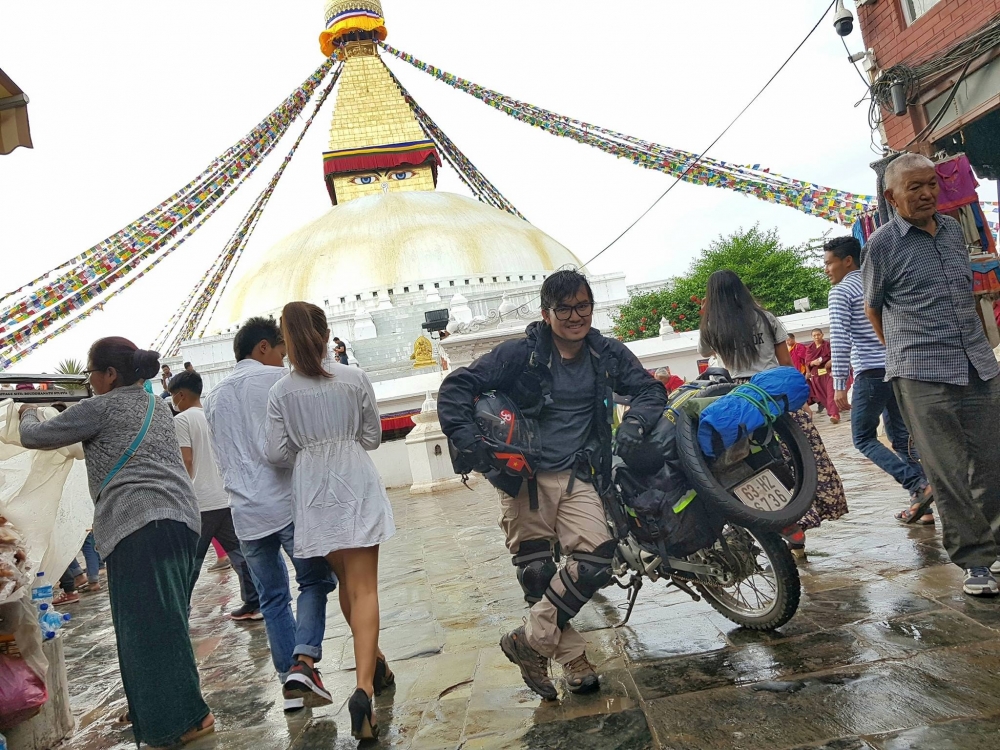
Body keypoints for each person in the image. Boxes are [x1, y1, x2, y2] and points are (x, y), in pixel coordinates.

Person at [439, 270, 667, 701]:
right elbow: (457, 385)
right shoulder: (520, 355)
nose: (575, 316)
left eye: (583, 306)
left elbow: (649, 391)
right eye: (564, 308)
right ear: (547, 313)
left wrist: (635, 423)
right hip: (524, 477)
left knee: (597, 561)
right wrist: (468, 440)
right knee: (538, 572)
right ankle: (574, 660)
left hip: (578, 473)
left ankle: (525, 642)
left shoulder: (606, 354)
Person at [18, 337, 213, 748]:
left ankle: (185, 719)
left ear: (110, 374)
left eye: (91, 372)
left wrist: (25, 411)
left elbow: (35, 436)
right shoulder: (156, 406)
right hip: (181, 522)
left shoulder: (101, 407)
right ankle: (164, 710)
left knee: (145, 632)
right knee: (165, 624)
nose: (89, 380)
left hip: (139, 526)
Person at [863, 152, 1000, 597]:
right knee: (947, 470)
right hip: (921, 371)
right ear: (891, 196)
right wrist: (900, 354)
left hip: (977, 362)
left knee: (992, 462)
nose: (926, 194)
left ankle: (996, 545)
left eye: (931, 185)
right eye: (914, 188)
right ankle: (975, 561)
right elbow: (873, 305)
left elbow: (965, 294)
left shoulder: (952, 233)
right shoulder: (882, 244)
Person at [265, 302, 395, 740]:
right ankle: (363, 687)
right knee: (366, 588)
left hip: (314, 490)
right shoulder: (354, 379)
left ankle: (373, 663)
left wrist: (310, 449)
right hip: (354, 481)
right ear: (325, 332)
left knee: (346, 585)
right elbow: (373, 437)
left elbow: (277, 454)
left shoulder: (281, 391)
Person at [203, 317, 338, 712]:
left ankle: (289, 683)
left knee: (273, 597)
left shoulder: (214, 397)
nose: (283, 359)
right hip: (286, 502)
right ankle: (303, 660)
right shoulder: (276, 383)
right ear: (263, 348)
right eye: (280, 351)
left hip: (243, 510)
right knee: (315, 581)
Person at [698, 270, 848, 556]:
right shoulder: (766, 318)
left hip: (741, 401)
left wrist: (706, 314)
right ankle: (803, 526)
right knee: (803, 458)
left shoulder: (712, 327)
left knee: (758, 464)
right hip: (776, 393)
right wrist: (798, 399)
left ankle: (787, 527)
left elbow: (707, 353)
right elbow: (784, 363)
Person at [824, 236, 932, 524]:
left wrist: (838, 385)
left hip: (870, 374)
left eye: (828, 262)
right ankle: (923, 507)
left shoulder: (840, 292)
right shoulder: (878, 282)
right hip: (897, 368)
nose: (826, 269)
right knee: (901, 438)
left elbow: (840, 339)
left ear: (847, 261)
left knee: (863, 438)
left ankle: (917, 485)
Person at [168, 370, 262, 620]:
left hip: (200, 500)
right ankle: (254, 604)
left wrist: (181, 495)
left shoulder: (181, 421)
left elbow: (186, 460)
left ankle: (180, 613)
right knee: (239, 554)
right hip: (225, 495)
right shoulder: (213, 414)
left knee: (191, 561)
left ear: (180, 395)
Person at [806, 329, 840, 424]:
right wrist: (813, 362)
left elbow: (835, 356)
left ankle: (835, 414)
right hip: (816, 375)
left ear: (822, 335)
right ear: (812, 337)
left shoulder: (828, 345)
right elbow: (807, 361)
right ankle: (832, 412)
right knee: (822, 395)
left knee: (830, 393)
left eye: (818, 335)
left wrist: (830, 361)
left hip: (828, 373)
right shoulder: (810, 348)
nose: (816, 337)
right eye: (814, 335)